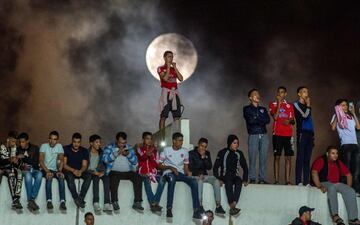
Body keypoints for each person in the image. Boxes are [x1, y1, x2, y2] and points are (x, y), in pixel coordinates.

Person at [158, 132, 203, 219]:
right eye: (179, 140)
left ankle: (196, 210)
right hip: (169, 173)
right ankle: (169, 208)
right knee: (172, 180)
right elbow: (159, 165)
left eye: (182, 141)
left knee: (193, 181)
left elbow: (185, 166)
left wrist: (188, 173)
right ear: (174, 141)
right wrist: (170, 167)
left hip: (180, 173)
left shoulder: (185, 151)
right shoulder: (166, 150)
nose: (181, 142)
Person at [311, 146, 360, 225]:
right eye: (333, 153)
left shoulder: (338, 162)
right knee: (332, 187)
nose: (335, 155)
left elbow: (349, 175)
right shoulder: (321, 160)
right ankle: (335, 216)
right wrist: (319, 186)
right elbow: (314, 172)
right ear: (327, 154)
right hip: (324, 182)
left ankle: (353, 219)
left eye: (336, 153)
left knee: (351, 191)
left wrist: (348, 187)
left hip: (336, 184)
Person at [103, 131, 143, 212]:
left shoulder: (129, 148)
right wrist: (116, 153)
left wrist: (128, 155)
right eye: (120, 143)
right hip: (114, 171)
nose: (122, 145)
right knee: (113, 179)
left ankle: (137, 202)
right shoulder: (109, 147)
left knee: (138, 177)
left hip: (127, 172)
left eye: (124, 143)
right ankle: (114, 201)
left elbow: (135, 161)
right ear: (117, 141)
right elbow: (105, 159)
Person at [213, 135, 248, 216]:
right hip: (225, 176)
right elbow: (215, 168)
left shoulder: (239, 153)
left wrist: (245, 179)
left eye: (237, 143)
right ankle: (232, 206)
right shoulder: (222, 152)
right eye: (234, 143)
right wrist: (218, 179)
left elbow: (245, 167)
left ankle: (233, 205)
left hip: (234, 176)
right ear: (229, 143)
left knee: (239, 181)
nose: (236, 145)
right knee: (228, 182)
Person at [188, 137, 225, 214]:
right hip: (195, 176)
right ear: (198, 144)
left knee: (215, 180)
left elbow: (209, 167)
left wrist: (204, 158)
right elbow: (190, 167)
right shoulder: (191, 153)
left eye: (205, 147)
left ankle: (218, 206)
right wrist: (198, 174)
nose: (203, 148)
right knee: (200, 181)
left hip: (205, 175)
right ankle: (200, 205)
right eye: (202, 146)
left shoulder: (207, 153)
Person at [330, 99, 360, 194]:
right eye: (343, 105)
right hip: (345, 145)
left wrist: (354, 113)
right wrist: (337, 113)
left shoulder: (350, 116)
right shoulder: (336, 116)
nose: (346, 107)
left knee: (356, 169)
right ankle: (344, 189)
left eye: (346, 105)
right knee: (346, 169)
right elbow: (333, 127)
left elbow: (358, 127)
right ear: (338, 107)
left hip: (355, 145)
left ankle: (355, 190)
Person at [243, 88, 270, 184]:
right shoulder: (246, 109)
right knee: (252, 157)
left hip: (264, 135)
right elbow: (250, 120)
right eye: (255, 94)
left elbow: (267, 120)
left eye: (258, 94)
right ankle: (253, 178)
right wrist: (259, 119)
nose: (257, 95)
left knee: (263, 158)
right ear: (250, 97)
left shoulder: (263, 109)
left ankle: (262, 178)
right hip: (253, 135)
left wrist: (256, 118)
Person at [269, 86, 295, 185]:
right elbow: (275, 117)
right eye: (279, 92)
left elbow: (293, 120)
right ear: (277, 93)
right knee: (277, 157)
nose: (280, 94)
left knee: (288, 157)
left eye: (282, 92)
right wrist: (279, 104)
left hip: (289, 135)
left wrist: (289, 121)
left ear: (285, 94)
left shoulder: (290, 105)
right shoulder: (272, 104)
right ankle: (276, 181)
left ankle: (287, 181)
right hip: (277, 134)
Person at [136, 132, 165, 212]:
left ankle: (154, 202)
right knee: (147, 179)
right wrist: (151, 150)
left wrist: (152, 154)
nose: (149, 140)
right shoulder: (139, 149)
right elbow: (143, 157)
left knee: (162, 179)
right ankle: (154, 203)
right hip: (143, 173)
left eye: (151, 139)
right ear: (143, 139)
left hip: (153, 173)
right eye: (147, 138)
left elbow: (156, 164)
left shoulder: (155, 151)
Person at [39, 130, 67, 210]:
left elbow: (61, 160)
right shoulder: (44, 146)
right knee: (49, 178)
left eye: (54, 139)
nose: (52, 141)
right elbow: (41, 161)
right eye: (51, 139)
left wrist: (60, 171)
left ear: (57, 140)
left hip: (55, 170)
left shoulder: (59, 146)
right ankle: (49, 201)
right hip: (45, 169)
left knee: (61, 178)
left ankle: (62, 202)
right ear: (49, 139)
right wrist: (47, 171)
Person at [63, 132, 92, 208]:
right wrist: (73, 170)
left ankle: (81, 198)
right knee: (69, 177)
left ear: (80, 142)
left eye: (78, 142)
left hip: (80, 171)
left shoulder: (84, 150)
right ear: (72, 141)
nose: (76, 144)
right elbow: (64, 165)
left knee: (89, 176)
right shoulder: (66, 149)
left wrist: (80, 171)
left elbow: (84, 165)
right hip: (70, 171)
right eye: (74, 142)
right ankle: (76, 197)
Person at [158, 50, 184, 130]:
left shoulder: (174, 69)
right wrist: (168, 67)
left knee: (176, 116)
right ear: (165, 58)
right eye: (169, 56)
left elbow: (181, 78)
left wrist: (175, 67)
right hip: (166, 93)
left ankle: (176, 133)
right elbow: (165, 79)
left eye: (172, 57)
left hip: (175, 94)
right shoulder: (161, 68)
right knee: (163, 116)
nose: (171, 58)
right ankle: (161, 134)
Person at [294, 86, 315, 186]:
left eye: (307, 91)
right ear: (299, 94)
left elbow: (310, 121)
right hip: (302, 133)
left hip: (310, 135)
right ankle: (298, 181)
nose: (306, 93)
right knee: (300, 158)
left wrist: (313, 135)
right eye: (304, 92)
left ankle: (306, 182)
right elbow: (304, 116)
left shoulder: (307, 107)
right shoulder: (296, 105)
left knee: (307, 159)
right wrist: (309, 105)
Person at [18, 132, 42, 211]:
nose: (21, 144)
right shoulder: (18, 149)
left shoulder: (35, 148)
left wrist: (24, 157)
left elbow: (35, 163)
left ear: (27, 141)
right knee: (28, 175)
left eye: (23, 142)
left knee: (39, 174)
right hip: (24, 170)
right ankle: (30, 200)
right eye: (20, 142)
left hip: (34, 169)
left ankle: (31, 199)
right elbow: (18, 164)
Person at [87, 134, 112, 212]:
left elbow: (106, 165)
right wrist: (94, 172)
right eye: (97, 142)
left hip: (99, 172)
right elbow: (84, 167)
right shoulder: (86, 153)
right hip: (90, 172)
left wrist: (103, 172)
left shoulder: (102, 153)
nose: (99, 144)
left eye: (99, 142)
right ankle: (96, 202)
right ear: (91, 143)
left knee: (107, 178)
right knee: (95, 179)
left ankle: (107, 204)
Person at [0, 131, 23, 209]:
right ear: (8, 140)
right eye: (13, 141)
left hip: (11, 167)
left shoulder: (14, 148)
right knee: (11, 174)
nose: (14, 143)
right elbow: (1, 161)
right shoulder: (1, 147)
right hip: (3, 168)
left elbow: (17, 164)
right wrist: (10, 159)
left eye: (15, 142)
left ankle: (17, 198)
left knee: (20, 173)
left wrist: (17, 160)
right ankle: (14, 199)